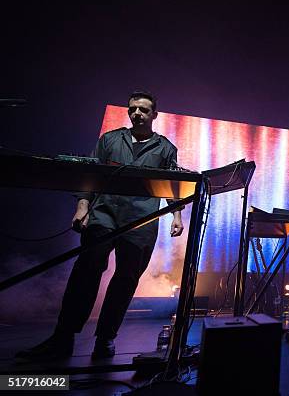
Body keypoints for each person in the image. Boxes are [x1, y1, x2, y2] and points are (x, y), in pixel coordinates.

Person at [17, 91, 184, 360]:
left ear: (154, 114)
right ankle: (63, 338)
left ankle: (105, 339)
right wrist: (82, 205)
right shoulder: (110, 139)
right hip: (103, 214)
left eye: (143, 110)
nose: (136, 114)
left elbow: (172, 183)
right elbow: (91, 173)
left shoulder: (165, 147)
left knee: (126, 279)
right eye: (132, 110)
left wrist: (177, 216)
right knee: (85, 272)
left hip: (141, 220)